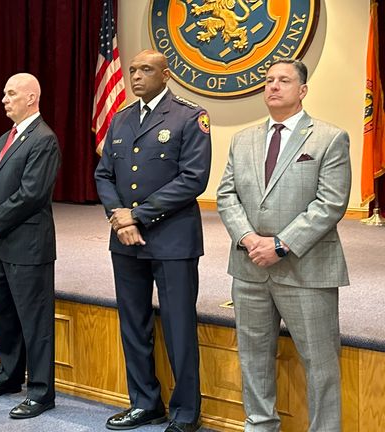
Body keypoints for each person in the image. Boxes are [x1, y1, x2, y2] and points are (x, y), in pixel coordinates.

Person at [217, 58, 351, 431]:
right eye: (268, 80)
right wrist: (247, 238)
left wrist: (280, 244)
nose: (273, 86)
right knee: (254, 358)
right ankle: (260, 425)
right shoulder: (242, 140)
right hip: (249, 268)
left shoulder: (328, 137)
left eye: (283, 81)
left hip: (305, 269)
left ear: (302, 90)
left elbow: (331, 204)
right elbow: (226, 195)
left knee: (320, 362)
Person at [94, 49, 211, 432]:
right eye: (132, 70)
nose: (136, 76)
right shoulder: (122, 119)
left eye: (146, 69)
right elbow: (104, 175)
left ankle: (185, 412)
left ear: (166, 74)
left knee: (178, 326)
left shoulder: (190, 116)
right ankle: (145, 403)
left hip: (172, 238)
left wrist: (138, 214)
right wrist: (119, 218)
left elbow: (193, 179)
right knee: (133, 323)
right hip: (125, 238)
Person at [0, 73, 61, 420]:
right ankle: (9, 376)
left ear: (31, 98)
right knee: (4, 314)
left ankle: (41, 392)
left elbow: (33, 194)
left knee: (34, 321)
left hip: (27, 244)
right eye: (4, 93)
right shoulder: (5, 138)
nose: (4, 99)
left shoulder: (44, 139)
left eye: (11, 94)